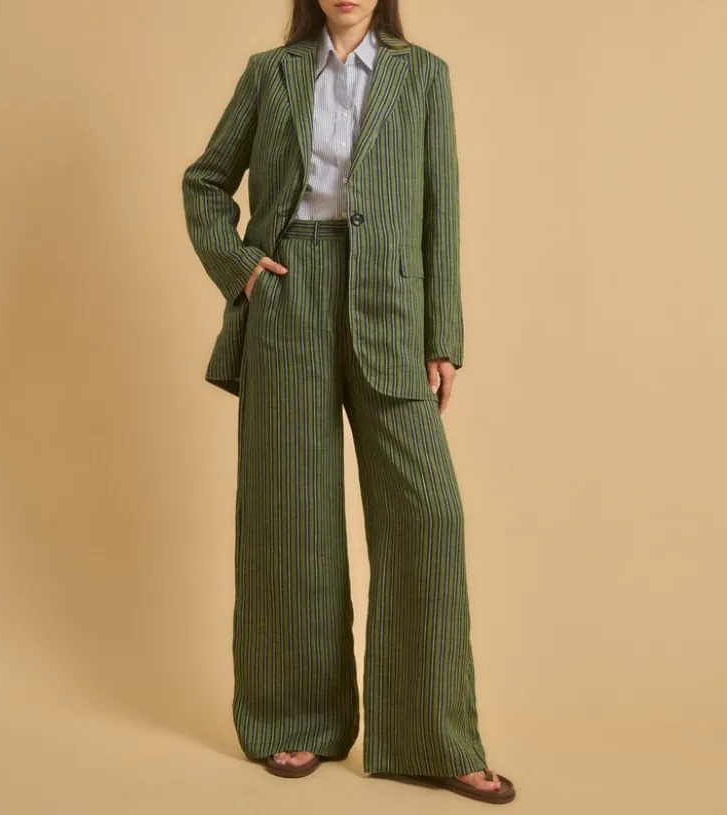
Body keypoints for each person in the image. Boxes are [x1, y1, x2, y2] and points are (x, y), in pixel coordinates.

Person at [181, 0, 515, 805]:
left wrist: (444, 334)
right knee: (292, 516)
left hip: (390, 305)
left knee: (428, 513)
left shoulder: (422, 77)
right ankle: (294, 715)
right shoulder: (271, 74)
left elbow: (440, 208)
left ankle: (433, 736)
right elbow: (205, 182)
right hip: (289, 296)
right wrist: (242, 267)